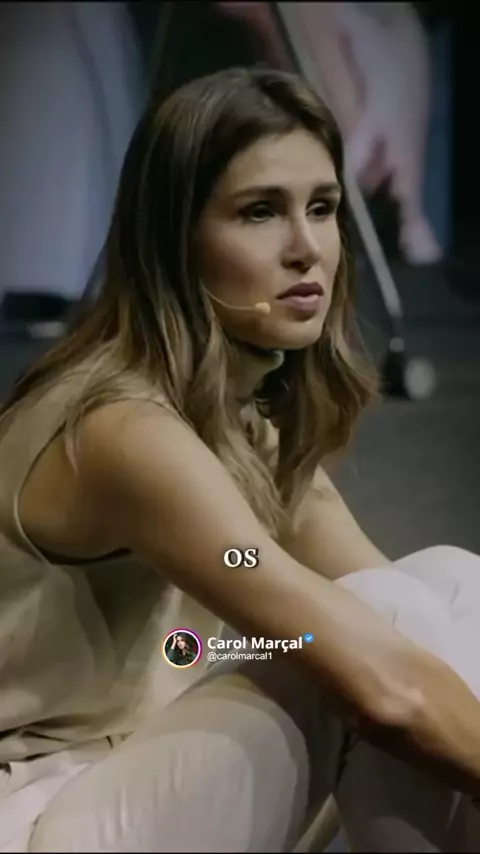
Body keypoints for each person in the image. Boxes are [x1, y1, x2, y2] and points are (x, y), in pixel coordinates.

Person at [0, 66, 479, 852]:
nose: (306, 249)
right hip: (38, 812)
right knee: (378, 635)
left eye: (321, 208)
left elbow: (410, 627)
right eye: (260, 212)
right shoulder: (124, 432)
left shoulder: (242, 421)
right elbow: (378, 673)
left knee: (450, 584)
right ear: (175, 240)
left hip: (135, 773)